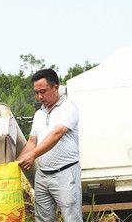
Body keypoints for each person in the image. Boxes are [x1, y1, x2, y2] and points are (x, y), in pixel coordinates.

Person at [18, 69, 82, 222]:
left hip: (65, 174)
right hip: (42, 175)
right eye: (36, 93)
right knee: (43, 219)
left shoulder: (68, 108)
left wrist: (32, 155)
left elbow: (57, 134)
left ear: (56, 87)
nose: (40, 97)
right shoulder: (39, 114)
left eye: (43, 91)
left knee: (71, 218)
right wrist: (17, 162)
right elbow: (32, 141)